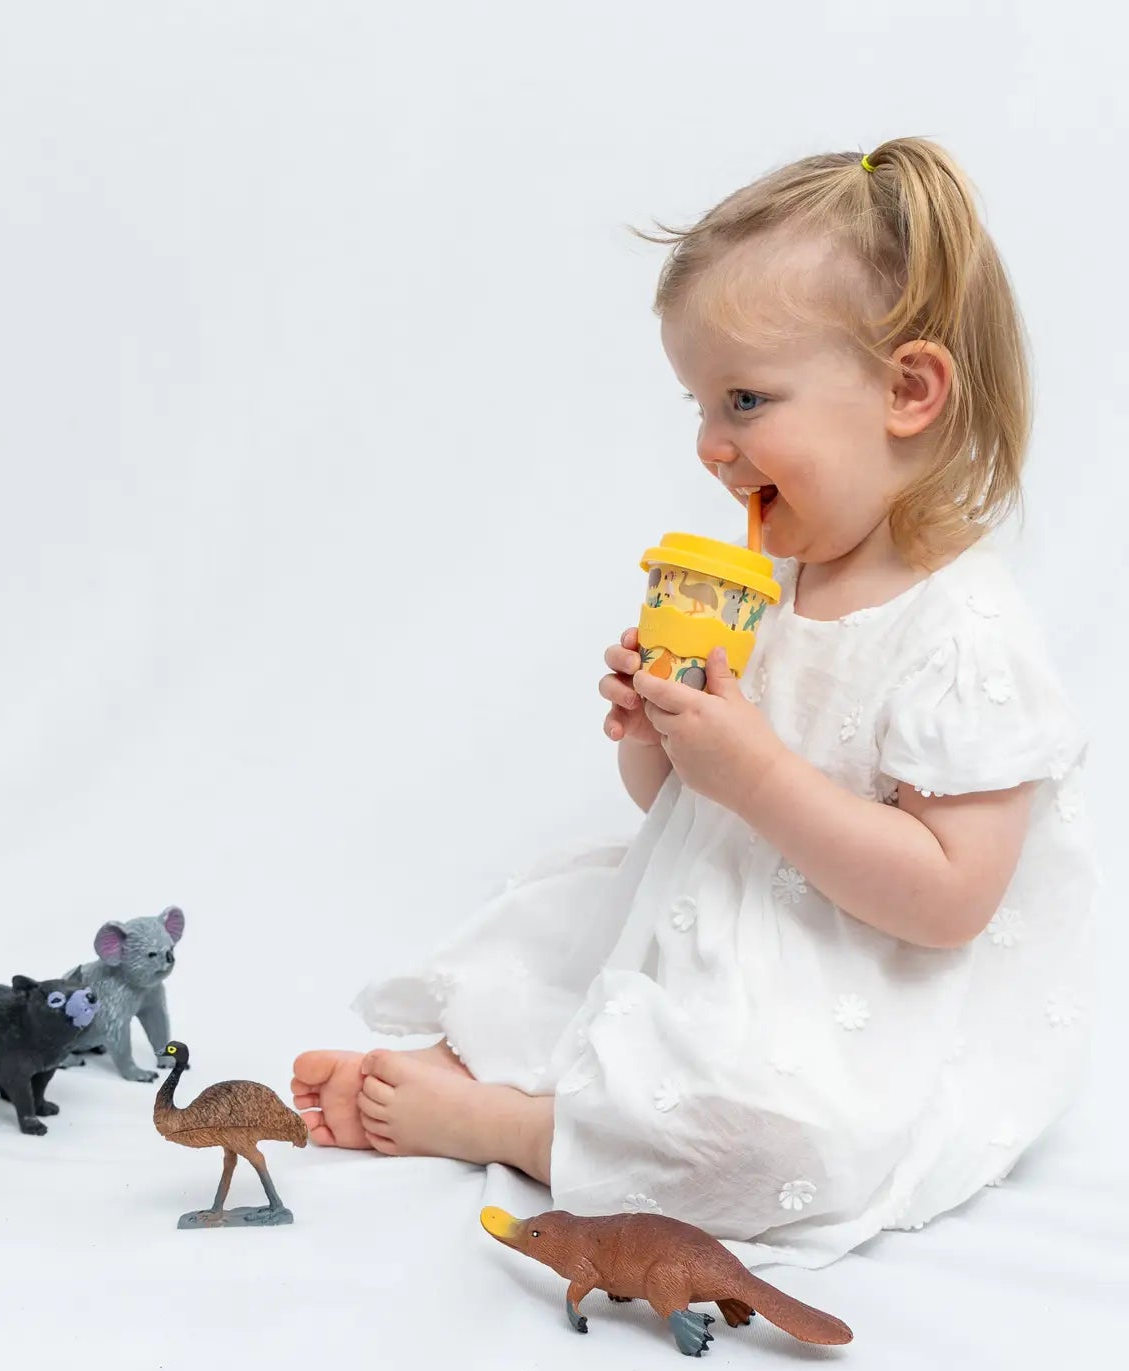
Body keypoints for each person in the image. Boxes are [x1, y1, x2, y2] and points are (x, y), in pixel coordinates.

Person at [291, 138, 1097, 1267]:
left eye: (747, 400)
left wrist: (758, 774)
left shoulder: (964, 634)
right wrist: (660, 738)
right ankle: (513, 1068)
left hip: (854, 980)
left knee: (779, 1142)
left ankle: (528, 1129)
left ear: (908, 391)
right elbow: (680, 813)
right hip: (721, 915)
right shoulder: (771, 584)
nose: (714, 447)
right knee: (563, 955)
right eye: (700, 404)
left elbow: (951, 899)